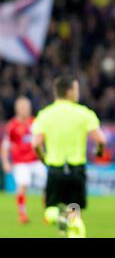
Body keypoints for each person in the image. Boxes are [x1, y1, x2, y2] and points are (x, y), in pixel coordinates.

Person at [31, 75, 107, 238]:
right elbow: (100, 140)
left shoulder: (45, 114)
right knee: (75, 213)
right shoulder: (84, 113)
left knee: (50, 210)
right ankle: (71, 223)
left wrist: (43, 158)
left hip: (55, 169)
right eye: (76, 89)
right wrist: (99, 151)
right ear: (69, 91)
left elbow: (36, 144)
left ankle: (59, 219)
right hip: (76, 170)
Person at [1, 96, 47, 224]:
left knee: (47, 186)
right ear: (17, 109)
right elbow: (5, 146)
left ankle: (47, 213)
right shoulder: (12, 126)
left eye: (27, 107)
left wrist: (43, 156)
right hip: (20, 163)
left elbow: (41, 141)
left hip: (36, 161)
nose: (25, 109)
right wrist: (5, 161)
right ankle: (22, 213)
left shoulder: (35, 123)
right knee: (22, 185)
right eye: (22, 107)